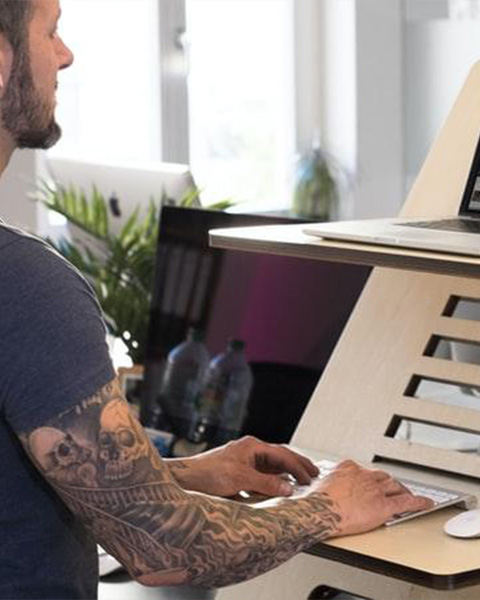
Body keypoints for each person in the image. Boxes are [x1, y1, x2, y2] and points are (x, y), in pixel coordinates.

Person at [0, 1, 431, 597]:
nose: (66, 55)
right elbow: (169, 550)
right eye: (50, 33)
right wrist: (329, 506)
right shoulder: (24, 286)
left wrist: (185, 473)